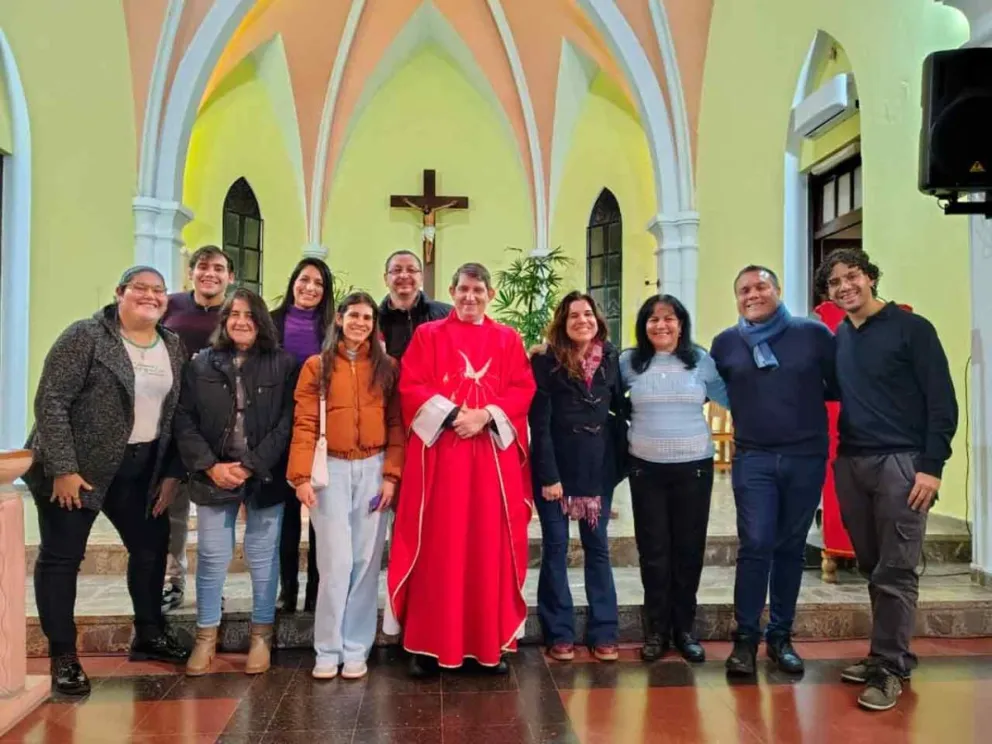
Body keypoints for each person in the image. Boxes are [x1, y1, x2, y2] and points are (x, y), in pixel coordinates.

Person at [25, 266, 189, 696]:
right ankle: (64, 655)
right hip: (78, 471)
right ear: (120, 293)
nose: (150, 296)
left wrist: (170, 473)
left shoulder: (172, 345)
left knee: (150, 550)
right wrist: (62, 468)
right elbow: (52, 402)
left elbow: (176, 414)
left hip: (140, 468)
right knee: (62, 559)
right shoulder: (86, 336)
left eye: (159, 291)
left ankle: (148, 633)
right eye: (141, 289)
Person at [816, 249, 957, 711]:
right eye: (834, 282)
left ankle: (891, 668)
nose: (844, 286)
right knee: (874, 566)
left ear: (870, 277)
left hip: (902, 463)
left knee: (896, 569)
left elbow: (942, 403)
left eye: (851, 276)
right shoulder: (841, 338)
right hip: (853, 464)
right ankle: (884, 654)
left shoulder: (913, 330)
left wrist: (932, 467)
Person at [385, 262, 536, 675]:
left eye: (479, 290)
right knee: (438, 548)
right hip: (441, 460)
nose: (471, 297)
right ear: (451, 291)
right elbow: (411, 385)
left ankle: (487, 645)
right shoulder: (428, 335)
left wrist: (485, 415)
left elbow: (523, 388)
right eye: (464, 289)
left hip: (489, 462)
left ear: (490, 293)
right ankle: (427, 645)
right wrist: (455, 415)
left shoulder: (507, 339)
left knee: (487, 548)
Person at [710, 265, 836, 677]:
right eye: (744, 289)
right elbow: (707, 382)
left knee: (790, 546)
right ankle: (745, 638)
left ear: (777, 290)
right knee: (756, 543)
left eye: (761, 286)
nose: (753, 294)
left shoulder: (812, 334)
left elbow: (837, 384)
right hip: (754, 457)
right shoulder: (726, 343)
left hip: (805, 457)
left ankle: (780, 636)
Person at [174, 289, 297, 676]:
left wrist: (250, 465)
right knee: (212, 557)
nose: (241, 321)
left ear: (261, 321)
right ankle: (206, 636)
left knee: (262, 557)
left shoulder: (283, 364)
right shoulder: (201, 365)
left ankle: (261, 634)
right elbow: (183, 419)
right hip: (213, 475)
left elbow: (287, 423)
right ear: (224, 320)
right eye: (234, 314)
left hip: (265, 475)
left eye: (250, 315)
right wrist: (211, 466)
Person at [288, 292, 404, 680]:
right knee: (334, 563)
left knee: (366, 563)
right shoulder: (316, 366)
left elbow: (395, 425)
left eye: (367, 317)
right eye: (353, 315)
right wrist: (301, 476)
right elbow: (304, 423)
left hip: (372, 468)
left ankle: (356, 648)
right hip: (332, 471)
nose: (360, 323)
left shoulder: (387, 367)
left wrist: (391, 475)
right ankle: (328, 648)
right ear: (339, 319)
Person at [620, 295, 729, 664]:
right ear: (643, 325)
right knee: (653, 552)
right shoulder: (629, 363)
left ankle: (684, 629)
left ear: (681, 324)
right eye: (653, 319)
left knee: (688, 550)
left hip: (693, 467)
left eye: (669, 318)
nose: (661, 325)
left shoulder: (699, 360)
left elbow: (731, 396)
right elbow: (598, 394)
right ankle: (656, 632)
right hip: (645, 468)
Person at [529, 292, 624, 663]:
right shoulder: (546, 362)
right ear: (562, 324)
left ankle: (604, 631)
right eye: (573, 316)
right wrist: (550, 477)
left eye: (587, 314)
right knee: (555, 549)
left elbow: (620, 412)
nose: (582, 320)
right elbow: (541, 424)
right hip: (556, 472)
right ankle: (559, 632)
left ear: (597, 319)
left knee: (598, 549)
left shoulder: (613, 359)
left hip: (598, 471)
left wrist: (616, 469)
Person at [161, 245, 235, 612]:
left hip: (215, 428)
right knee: (172, 510)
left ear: (230, 277)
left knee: (213, 519)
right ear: (191, 271)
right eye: (204, 267)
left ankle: (213, 586)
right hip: (170, 422)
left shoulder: (236, 314)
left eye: (219, 268)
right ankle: (172, 580)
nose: (211, 274)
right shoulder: (170, 306)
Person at [270, 257, 335, 613]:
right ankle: (287, 588)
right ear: (293, 281)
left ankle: (315, 588)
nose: (310, 287)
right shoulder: (271, 321)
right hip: (279, 425)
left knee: (319, 514)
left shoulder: (332, 328)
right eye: (304, 279)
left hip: (319, 429)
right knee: (286, 514)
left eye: (318, 283)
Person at [378, 250, 452, 359]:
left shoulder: (447, 315)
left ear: (421, 277)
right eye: (397, 270)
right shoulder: (374, 319)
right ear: (386, 279)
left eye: (411, 270)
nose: (403, 275)